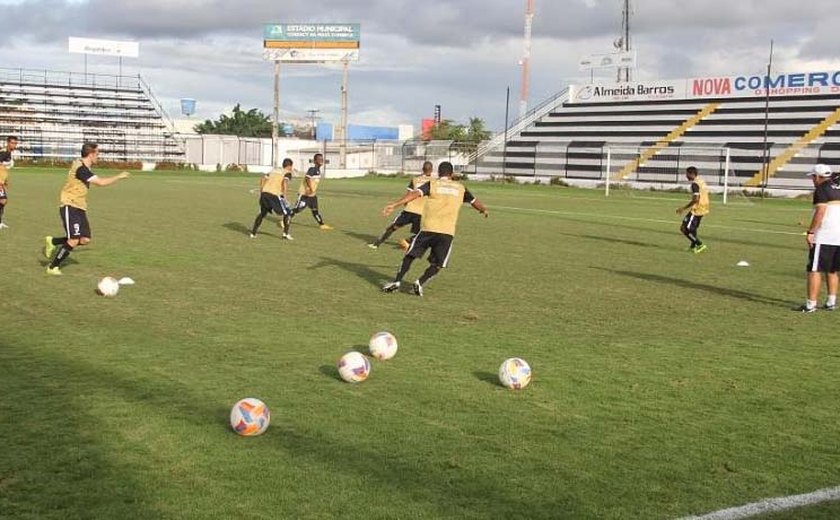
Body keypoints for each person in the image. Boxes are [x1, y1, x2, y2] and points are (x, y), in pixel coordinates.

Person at [380, 161, 488, 296]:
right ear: (452, 174)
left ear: (438, 172)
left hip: (428, 228)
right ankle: (420, 282)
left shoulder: (433, 184)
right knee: (438, 264)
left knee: (410, 255)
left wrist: (395, 205)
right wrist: (483, 209)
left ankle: (397, 282)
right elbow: (474, 202)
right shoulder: (460, 188)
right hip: (447, 232)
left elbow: (414, 194)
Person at [44, 143, 130, 275]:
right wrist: (118, 176)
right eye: (97, 153)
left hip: (80, 207)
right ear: (91, 154)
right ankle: (52, 267)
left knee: (84, 239)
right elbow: (100, 183)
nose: (98, 156)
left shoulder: (82, 166)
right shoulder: (81, 169)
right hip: (70, 205)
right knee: (73, 239)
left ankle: (53, 241)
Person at [800, 164, 840, 313]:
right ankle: (831, 302)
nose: (812, 179)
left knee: (814, 270)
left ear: (818, 176)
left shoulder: (821, 189)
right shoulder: (838, 187)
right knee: (832, 270)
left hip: (825, 235)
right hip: (839, 236)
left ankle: (810, 305)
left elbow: (820, 212)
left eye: (812, 176)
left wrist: (811, 232)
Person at [368, 161, 433, 250]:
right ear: (432, 170)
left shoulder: (415, 179)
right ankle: (408, 242)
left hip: (409, 210)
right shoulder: (434, 182)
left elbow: (409, 194)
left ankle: (376, 244)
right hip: (422, 212)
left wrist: (403, 203)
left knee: (393, 227)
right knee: (421, 233)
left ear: (422, 169)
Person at [250, 158, 294, 240]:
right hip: (274, 195)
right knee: (288, 212)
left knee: (262, 213)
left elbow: (263, 178)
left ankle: (253, 233)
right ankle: (285, 234)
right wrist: (285, 197)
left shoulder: (274, 171)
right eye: (291, 166)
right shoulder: (287, 173)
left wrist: (262, 190)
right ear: (289, 166)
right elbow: (284, 183)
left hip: (264, 194)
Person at [293, 153, 332, 230]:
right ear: (315, 161)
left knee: (315, 210)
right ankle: (285, 220)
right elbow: (307, 178)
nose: (321, 160)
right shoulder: (312, 169)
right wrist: (310, 189)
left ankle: (322, 225)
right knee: (297, 209)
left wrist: (312, 191)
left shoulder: (318, 171)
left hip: (312, 195)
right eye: (319, 159)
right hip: (305, 194)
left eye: (322, 159)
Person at [676, 166, 710, 253]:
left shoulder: (695, 184)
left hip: (697, 209)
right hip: (704, 207)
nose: (686, 176)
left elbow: (695, 199)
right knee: (693, 229)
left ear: (691, 174)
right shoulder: (701, 181)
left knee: (684, 228)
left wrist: (683, 208)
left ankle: (699, 244)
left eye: (687, 174)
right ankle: (693, 247)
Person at [0, 136, 19, 230]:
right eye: (12, 143)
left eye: (15, 143)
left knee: (3, 201)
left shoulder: (8, 153)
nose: (14, 145)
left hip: (1, 180)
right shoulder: (4, 152)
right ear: (7, 142)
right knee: (3, 200)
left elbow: (3, 169)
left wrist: (5, 180)